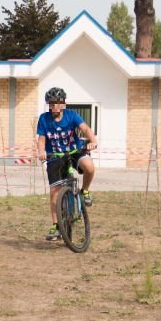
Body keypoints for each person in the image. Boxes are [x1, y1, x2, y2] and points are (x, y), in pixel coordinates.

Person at [36, 87, 98, 241]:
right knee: (55, 192)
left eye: (57, 102)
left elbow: (85, 128)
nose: (54, 106)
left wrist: (93, 141)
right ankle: (56, 226)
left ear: (63, 104)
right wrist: (42, 151)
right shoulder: (44, 119)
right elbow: (42, 139)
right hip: (55, 156)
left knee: (89, 167)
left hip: (74, 151)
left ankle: (84, 191)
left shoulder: (72, 115)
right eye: (51, 103)